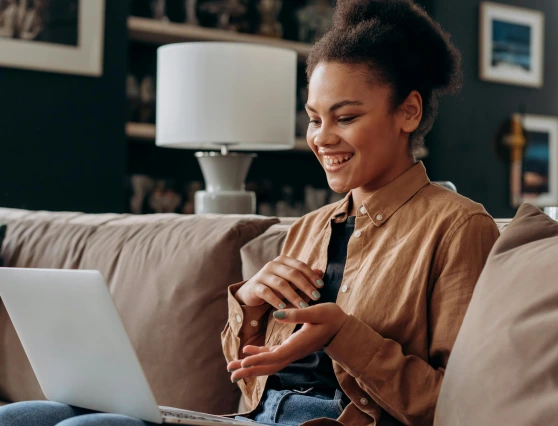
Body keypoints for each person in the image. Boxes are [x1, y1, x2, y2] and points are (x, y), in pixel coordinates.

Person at [0, 1, 499, 425]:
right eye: (313, 119)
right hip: (255, 419)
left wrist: (346, 336)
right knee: (28, 415)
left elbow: (460, 405)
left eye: (345, 117)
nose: (322, 138)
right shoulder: (310, 227)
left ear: (408, 112)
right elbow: (250, 378)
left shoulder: (457, 228)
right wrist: (252, 309)